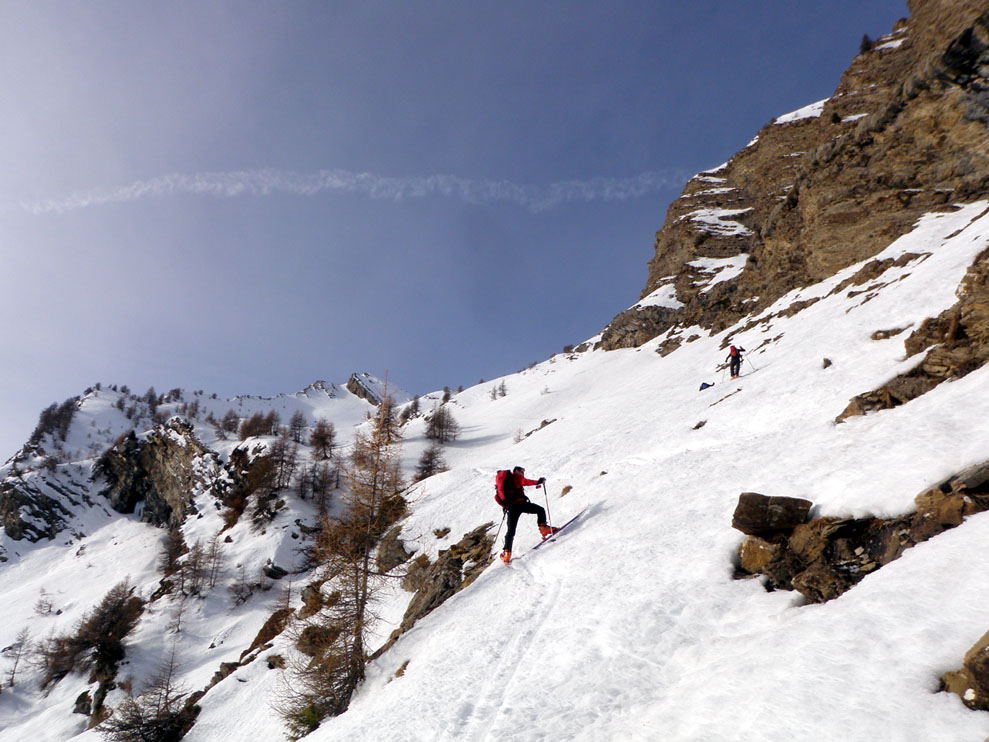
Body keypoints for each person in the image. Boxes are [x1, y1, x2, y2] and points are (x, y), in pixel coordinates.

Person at [497, 466, 557, 564]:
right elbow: (525, 481)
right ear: (516, 471)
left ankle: (507, 553)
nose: (523, 473)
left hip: (511, 508)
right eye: (522, 471)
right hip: (521, 504)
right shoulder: (516, 476)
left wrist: (505, 506)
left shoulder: (506, 484)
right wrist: (537, 482)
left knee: (510, 531)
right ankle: (543, 528)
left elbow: (497, 498)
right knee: (540, 510)